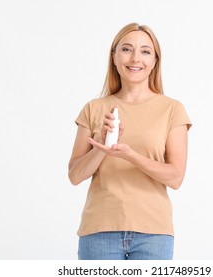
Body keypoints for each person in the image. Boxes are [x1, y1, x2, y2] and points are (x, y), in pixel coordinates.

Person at [68, 23, 192, 260]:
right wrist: (103, 148)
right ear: (114, 57)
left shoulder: (172, 109)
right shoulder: (94, 109)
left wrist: (129, 155)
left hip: (153, 234)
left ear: (155, 60)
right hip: (99, 231)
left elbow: (175, 178)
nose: (135, 58)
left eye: (145, 51)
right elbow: (74, 175)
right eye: (126, 49)